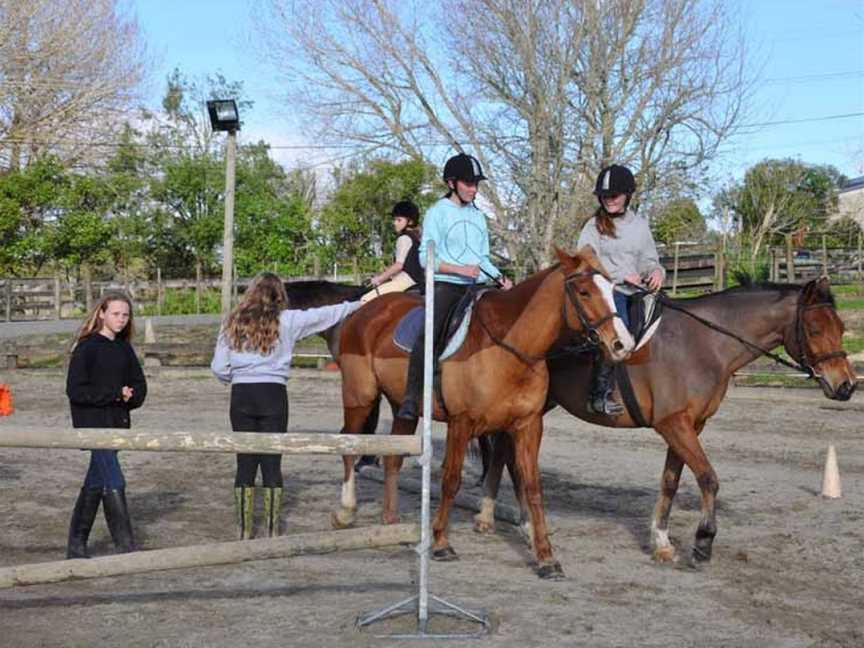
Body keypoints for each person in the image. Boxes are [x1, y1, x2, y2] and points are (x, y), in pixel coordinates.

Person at [211, 272, 362, 539]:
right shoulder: (289, 320)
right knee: (272, 462)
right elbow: (328, 314)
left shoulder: (231, 321)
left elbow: (219, 367)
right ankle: (272, 529)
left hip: (242, 395)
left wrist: (236, 376)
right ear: (280, 295)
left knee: (245, 463)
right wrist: (359, 302)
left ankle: (244, 529)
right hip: (274, 395)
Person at [397, 152, 513, 420]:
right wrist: (459, 269)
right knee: (429, 333)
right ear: (452, 183)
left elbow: (482, 258)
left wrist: (502, 280)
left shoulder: (478, 217)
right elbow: (426, 258)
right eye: (468, 184)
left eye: (476, 184)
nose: (473, 189)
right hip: (447, 285)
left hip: (478, 285)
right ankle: (411, 399)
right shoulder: (437, 213)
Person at [576, 163, 665, 416]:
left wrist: (656, 272)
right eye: (604, 196)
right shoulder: (593, 226)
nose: (608, 201)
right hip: (606, 293)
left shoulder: (640, 225)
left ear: (627, 195)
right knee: (619, 331)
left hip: (637, 292)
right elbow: (585, 261)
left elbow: (649, 259)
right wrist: (619, 275)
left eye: (613, 196)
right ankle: (598, 393)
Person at [66, 292, 147, 558]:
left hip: (117, 425)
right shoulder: (86, 348)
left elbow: (140, 385)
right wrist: (114, 393)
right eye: (116, 313)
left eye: (125, 315)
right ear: (101, 313)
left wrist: (130, 396)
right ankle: (126, 546)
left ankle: (76, 544)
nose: (121, 319)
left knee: (95, 481)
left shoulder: (124, 348)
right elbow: (76, 391)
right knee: (113, 479)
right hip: (93, 426)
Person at [361, 200, 424, 304]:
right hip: (417, 281)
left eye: (399, 220)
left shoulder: (404, 238)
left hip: (405, 281)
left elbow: (399, 265)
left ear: (410, 222)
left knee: (365, 300)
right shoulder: (416, 238)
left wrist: (379, 279)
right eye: (394, 220)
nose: (394, 223)